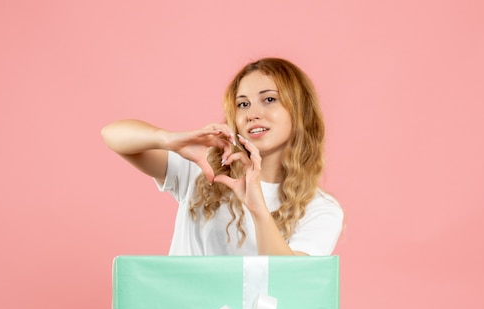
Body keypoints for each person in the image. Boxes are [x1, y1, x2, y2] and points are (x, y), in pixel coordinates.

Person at [102, 57, 343, 256]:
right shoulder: (203, 167)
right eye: (243, 104)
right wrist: (168, 140)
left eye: (269, 99)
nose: (252, 114)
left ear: (301, 112)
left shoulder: (321, 209)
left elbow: (288, 281)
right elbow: (112, 135)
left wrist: (257, 207)